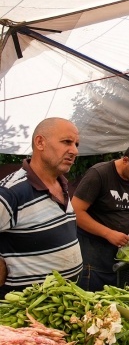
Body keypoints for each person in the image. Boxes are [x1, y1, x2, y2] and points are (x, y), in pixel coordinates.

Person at [0, 118, 82, 296]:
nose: (74, 150)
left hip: (62, 307)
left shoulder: (63, 186)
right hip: (25, 314)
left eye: (76, 144)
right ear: (40, 142)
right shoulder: (10, 192)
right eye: (66, 142)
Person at [72, 142, 129, 291]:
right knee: (95, 300)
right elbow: (76, 212)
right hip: (94, 255)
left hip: (119, 254)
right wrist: (108, 233)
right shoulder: (99, 174)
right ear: (125, 160)